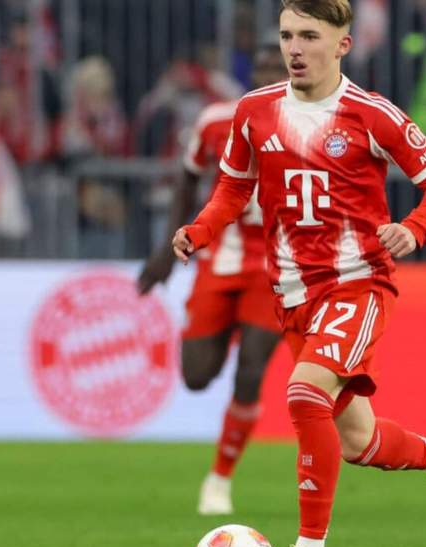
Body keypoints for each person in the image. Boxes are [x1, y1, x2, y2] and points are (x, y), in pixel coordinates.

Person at [171, 2, 426, 547]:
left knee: (304, 392)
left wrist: (414, 229)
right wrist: (200, 230)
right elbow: (233, 189)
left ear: (342, 45)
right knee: (360, 443)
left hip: (358, 283)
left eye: (309, 36)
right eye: (287, 35)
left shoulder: (372, 114)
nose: (294, 48)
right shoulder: (254, 112)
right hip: (292, 295)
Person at [137, 43, 290, 516]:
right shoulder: (217, 121)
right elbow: (188, 178)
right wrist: (165, 252)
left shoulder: (315, 124)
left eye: (278, 68)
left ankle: (219, 480)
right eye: (262, 67)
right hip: (222, 259)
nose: (269, 75)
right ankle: (227, 328)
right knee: (197, 375)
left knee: (251, 371)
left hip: (279, 267)